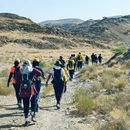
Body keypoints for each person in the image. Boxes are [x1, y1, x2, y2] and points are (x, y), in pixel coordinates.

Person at [19, 59, 41, 126]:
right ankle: (32, 113)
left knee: (25, 104)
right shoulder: (31, 69)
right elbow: (39, 73)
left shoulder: (21, 69)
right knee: (33, 100)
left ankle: (26, 120)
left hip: (23, 88)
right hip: (30, 88)